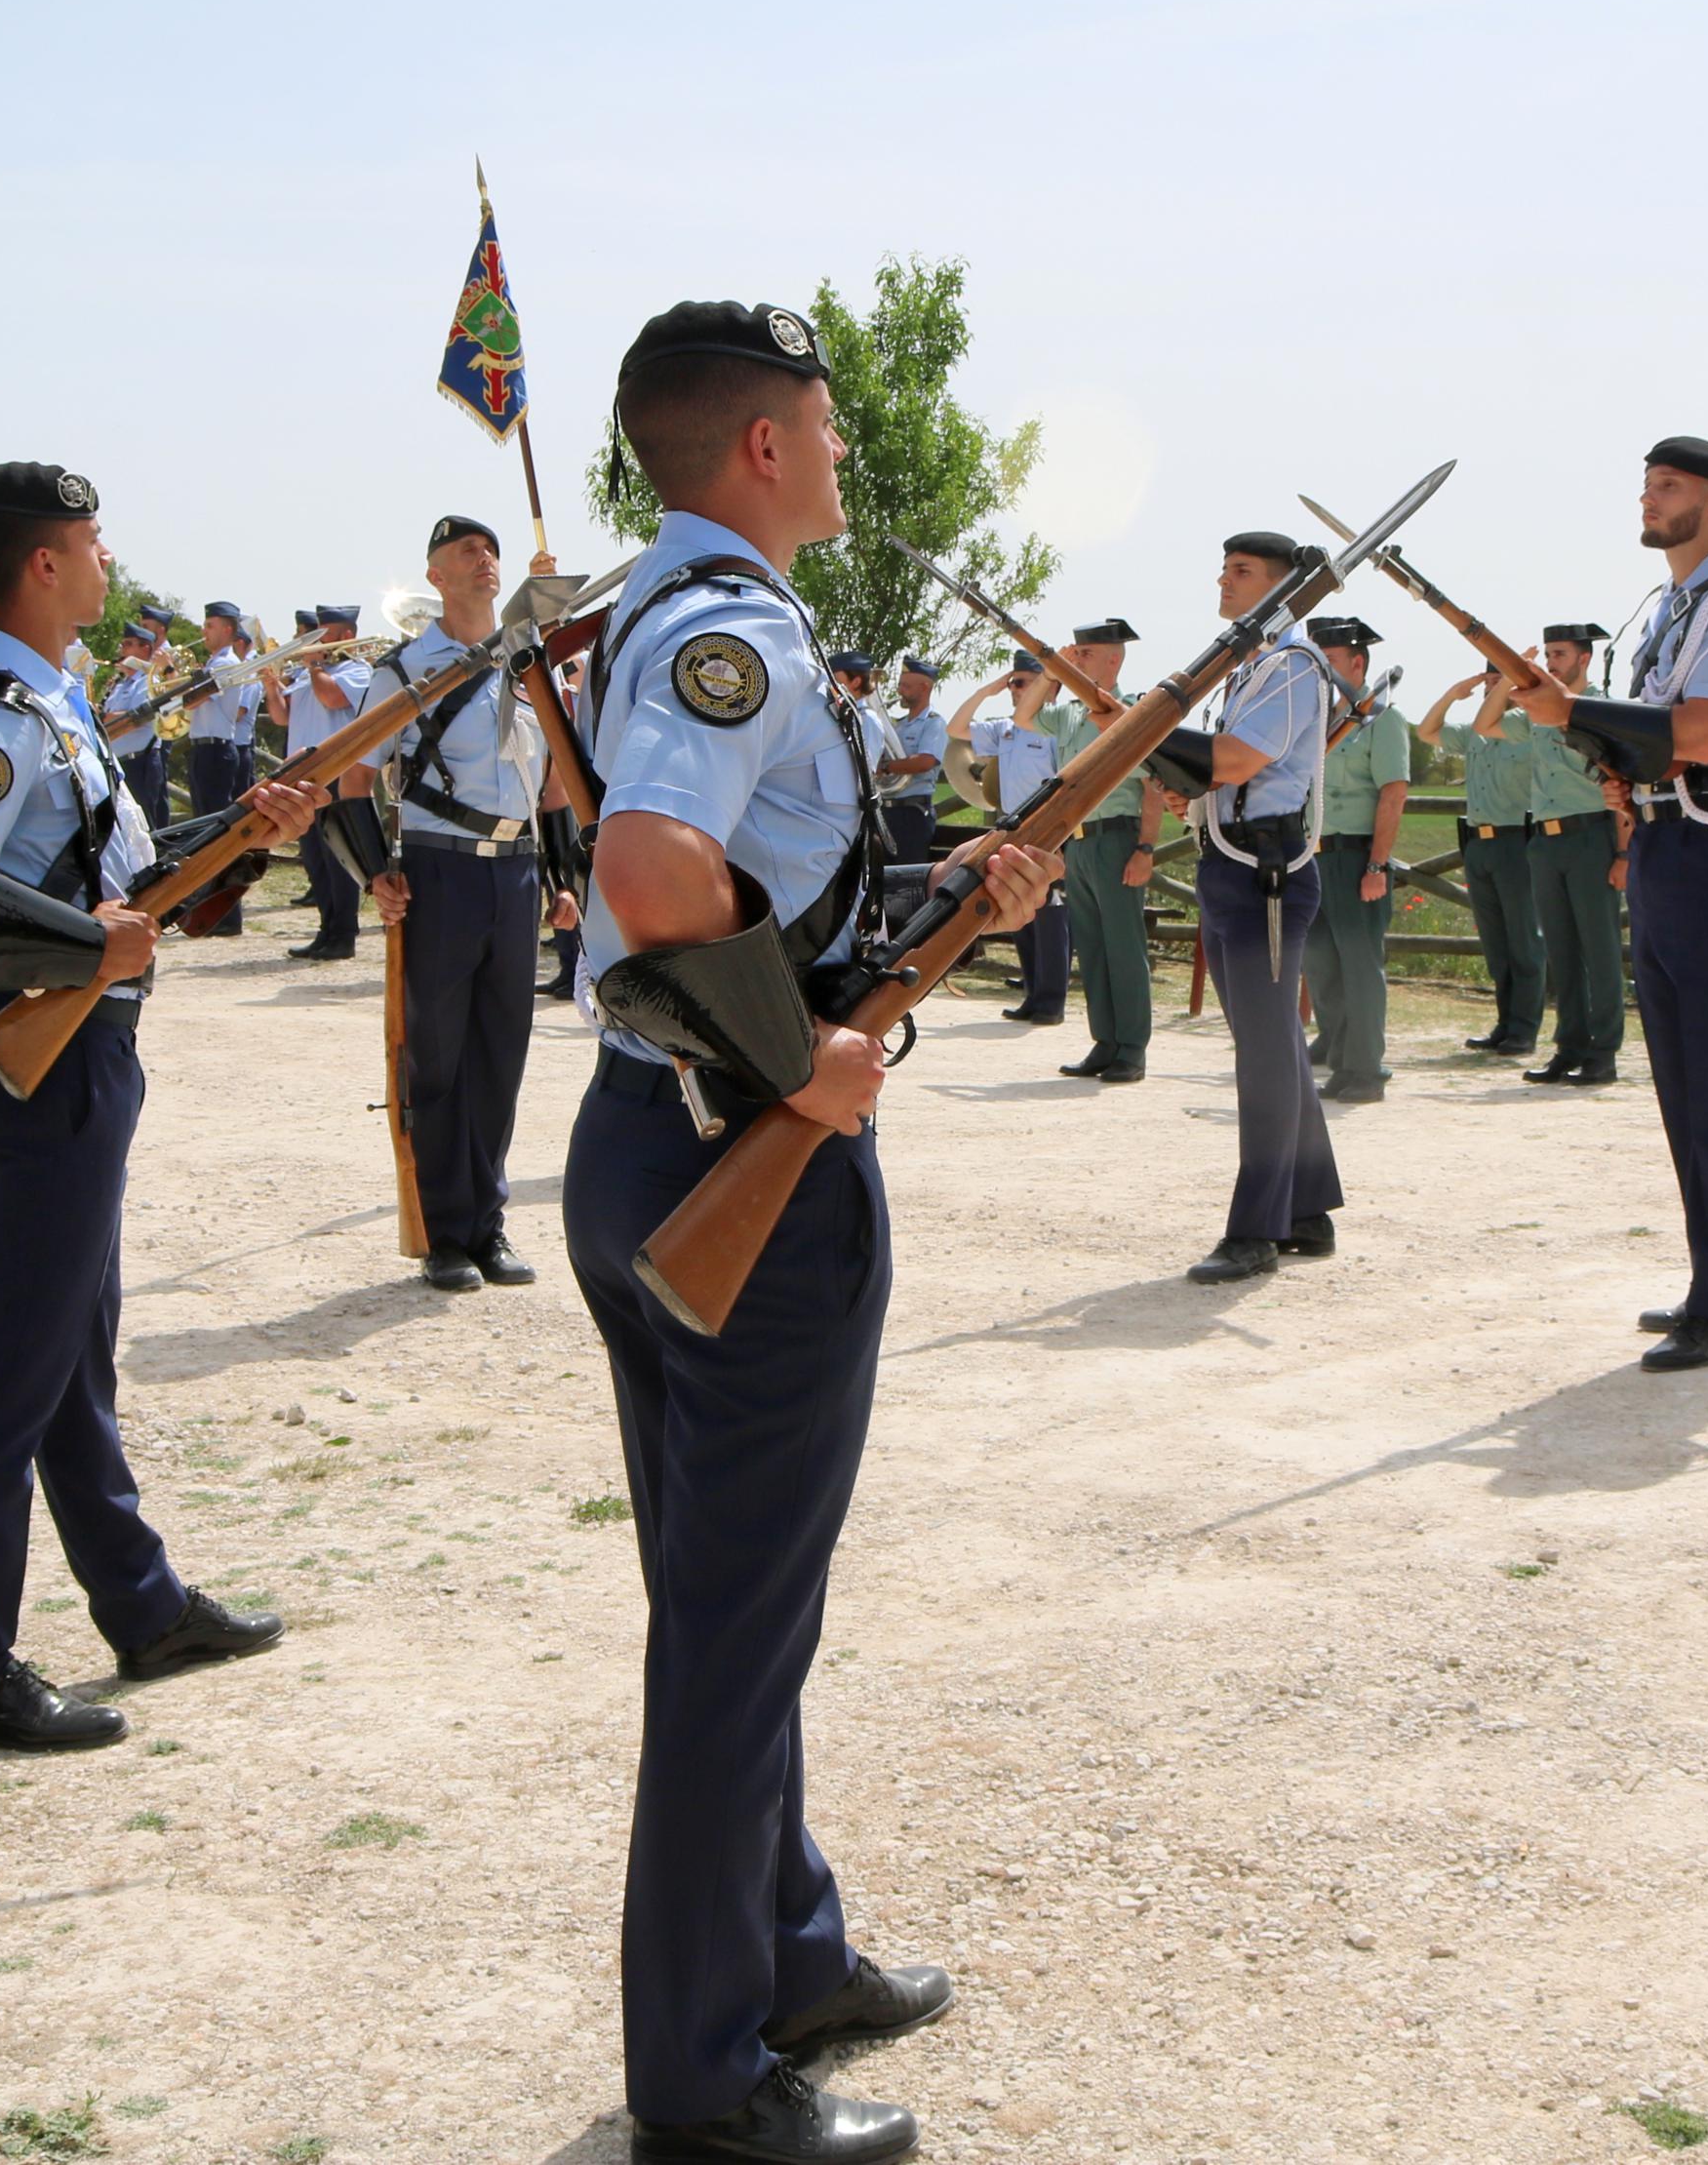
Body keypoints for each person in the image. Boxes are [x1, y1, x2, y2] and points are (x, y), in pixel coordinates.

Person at [565, 300, 1049, 2163]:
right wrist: (805, 1065)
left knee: (725, 1606)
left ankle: (788, 1951)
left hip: (652, 1142)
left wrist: (938, 902)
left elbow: (759, 876)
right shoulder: (728, 631)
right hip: (734, 1167)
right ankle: (702, 2085)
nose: (843, 457)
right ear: (760, 445)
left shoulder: (655, 614)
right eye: (827, 430)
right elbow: (648, 874)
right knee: (730, 1639)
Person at [0, 461, 308, 1752]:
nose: (110, 555)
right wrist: (92, 948)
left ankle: (138, 1597)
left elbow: (114, 881)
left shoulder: (54, 703)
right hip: (42, 1058)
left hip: (77, 1049)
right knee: (11, 1371)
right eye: (92, 538)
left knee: (71, 1346)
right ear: (45, 563)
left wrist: (246, 825)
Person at [1531, 437, 1708, 1370]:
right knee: (1683, 1081)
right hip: (1664, 844)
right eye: (1644, 486)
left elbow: (1704, 730)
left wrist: (1575, 714)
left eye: (1668, 486)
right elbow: (1653, 744)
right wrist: (1613, 766)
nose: (1649, 500)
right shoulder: (1672, 611)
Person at [365, 516, 580, 1293]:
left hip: (515, 872)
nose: (484, 560)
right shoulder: (404, 669)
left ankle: (487, 1222)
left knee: (500, 1054)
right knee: (440, 1056)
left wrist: (561, 876)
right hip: (440, 870)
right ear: (436, 576)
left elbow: (552, 787)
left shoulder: (526, 665)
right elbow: (353, 780)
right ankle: (442, 1231)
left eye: (490, 550)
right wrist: (372, 873)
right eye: (466, 551)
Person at [1185, 531, 1341, 1285]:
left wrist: (1152, 744)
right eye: (1224, 568)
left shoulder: (1288, 664)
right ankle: (1306, 1207)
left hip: (1265, 870)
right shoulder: (1246, 667)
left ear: (1281, 588)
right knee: (1270, 1039)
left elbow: (1240, 758)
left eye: (1240, 571)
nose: (1224, 580)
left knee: (1265, 1051)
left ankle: (1257, 1228)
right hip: (1231, 861)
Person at [1036, 619, 1160, 1083]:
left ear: (1113, 658)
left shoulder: (1131, 713)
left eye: (1085, 654)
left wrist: (1146, 848)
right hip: (1081, 843)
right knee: (1091, 948)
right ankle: (1104, 1042)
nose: (1078, 659)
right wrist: (1051, 672)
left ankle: (1132, 1048)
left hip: (1118, 839)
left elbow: (1152, 787)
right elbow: (1024, 717)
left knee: (1125, 948)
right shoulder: (1069, 712)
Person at [1503, 622, 1627, 1087]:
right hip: (1547, 840)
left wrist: (1623, 853)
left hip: (1592, 837)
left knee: (1599, 950)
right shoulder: (1538, 712)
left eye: (1559, 655)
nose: (1552, 662)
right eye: (1549, 654)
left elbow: (1622, 785)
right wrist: (1512, 672)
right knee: (1561, 951)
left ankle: (1604, 1052)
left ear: (1584, 659)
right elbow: (1485, 724)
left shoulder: (1602, 710)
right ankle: (1568, 1047)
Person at [1306, 617, 1413, 1103]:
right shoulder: (1319, 722)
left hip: (1356, 859)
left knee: (1360, 967)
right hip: (1314, 856)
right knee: (1323, 966)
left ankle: (1366, 1069)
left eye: (1328, 662)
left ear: (1357, 662)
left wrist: (1376, 865)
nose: (1321, 673)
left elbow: (1393, 795)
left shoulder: (1383, 720)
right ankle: (1341, 1058)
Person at [949, 657, 1072, 1022]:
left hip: (1048, 826)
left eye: (1026, 682)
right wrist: (987, 691)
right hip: (1011, 827)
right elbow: (957, 729)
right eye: (1015, 683)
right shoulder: (1005, 729)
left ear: (1050, 686)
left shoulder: (1056, 728)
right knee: (1021, 912)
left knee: (1050, 916)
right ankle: (1033, 995)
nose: (1017, 690)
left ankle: (1051, 1001)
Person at [1436, 665, 1547, 1056]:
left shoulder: (1528, 728)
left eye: (1500, 678)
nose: (1492, 685)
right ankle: (1504, 1023)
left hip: (1517, 839)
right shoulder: (1474, 734)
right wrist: (1454, 692)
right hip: (1479, 843)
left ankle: (1524, 1028)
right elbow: (1427, 732)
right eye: (1488, 679)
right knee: (1496, 944)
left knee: (1524, 941)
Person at [179, 600, 284, 924]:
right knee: (206, 833)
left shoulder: (226, 664)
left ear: (227, 630)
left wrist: (174, 674)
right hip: (205, 749)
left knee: (218, 837)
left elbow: (192, 699)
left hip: (217, 751)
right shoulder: (214, 663)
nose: (203, 631)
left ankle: (226, 915)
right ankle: (210, 908)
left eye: (209, 626)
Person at [283, 608, 377, 959]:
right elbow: (281, 715)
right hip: (303, 775)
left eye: (326, 633)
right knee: (314, 857)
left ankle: (344, 934)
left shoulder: (357, 670)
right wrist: (269, 681)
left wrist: (314, 666)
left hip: (337, 773)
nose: (317, 640)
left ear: (345, 635)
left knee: (337, 856)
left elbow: (332, 698)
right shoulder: (311, 673)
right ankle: (326, 928)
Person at [99, 605, 177, 831]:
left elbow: (138, 716)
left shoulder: (147, 680)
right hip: (122, 761)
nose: (122, 649)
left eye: (127, 644)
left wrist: (101, 717)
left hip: (140, 762)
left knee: (146, 826)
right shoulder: (122, 682)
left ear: (145, 648)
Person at [876, 657, 944, 862]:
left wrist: (887, 767)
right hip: (887, 811)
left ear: (924, 688)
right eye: (900, 685)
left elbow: (925, 762)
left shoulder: (934, 723)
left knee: (906, 877)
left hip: (912, 816)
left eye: (906, 686)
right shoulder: (899, 725)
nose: (899, 691)